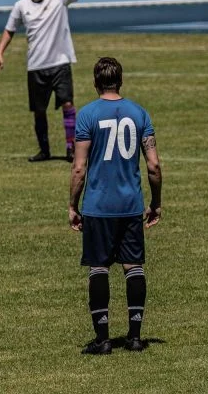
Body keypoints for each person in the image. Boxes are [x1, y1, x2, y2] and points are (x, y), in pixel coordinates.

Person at [69, 57, 162, 355]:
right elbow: (154, 165)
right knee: (133, 266)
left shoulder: (87, 116)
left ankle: (103, 339)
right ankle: (135, 337)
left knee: (99, 267)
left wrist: (73, 205)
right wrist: (156, 202)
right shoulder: (140, 113)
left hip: (98, 206)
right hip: (131, 205)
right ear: (120, 81)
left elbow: (79, 168)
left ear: (96, 82)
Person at [0, 0, 109, 163]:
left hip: (60, 62)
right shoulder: (21, 5)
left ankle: (70, 148)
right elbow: (9, 29)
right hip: (36, 65)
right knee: (39, 111)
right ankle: (44, 150)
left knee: (67, 103)